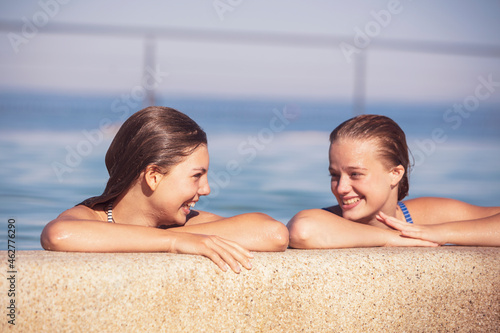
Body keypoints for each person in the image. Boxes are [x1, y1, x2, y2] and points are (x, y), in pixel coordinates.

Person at [41, 106, 289, 273]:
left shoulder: (184, 222)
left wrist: (180, 237)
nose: (206, 189)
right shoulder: (91, 217)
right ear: (154, 176)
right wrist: (173, 242)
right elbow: (58, 235)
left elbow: (273, 234)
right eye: (196, 176)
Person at [287, 114, 500, 248]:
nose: (341, 188)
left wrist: (439, 232)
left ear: (395, 174)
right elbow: (302, 231)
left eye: (355, 174)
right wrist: (389, 238)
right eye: (334, 175)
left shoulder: (424, 216)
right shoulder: (330, 220)